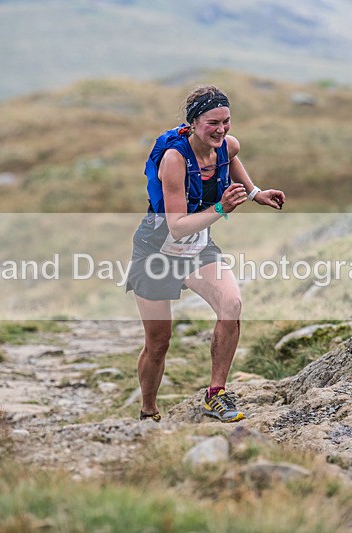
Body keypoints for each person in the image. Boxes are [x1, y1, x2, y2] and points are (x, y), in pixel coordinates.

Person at [125, 85, 285, 423]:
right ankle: (149, 411)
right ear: (193, 122)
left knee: (232, 305)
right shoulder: (174, 159)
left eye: (226, 121)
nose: (221, 129)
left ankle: (216, 394)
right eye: (213, 122)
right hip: (157, 251)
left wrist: (256, 193)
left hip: (198, 248)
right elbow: (178, 226)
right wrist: (222, 207)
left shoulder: (228, 145)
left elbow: (232, 159)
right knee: (158, 343)